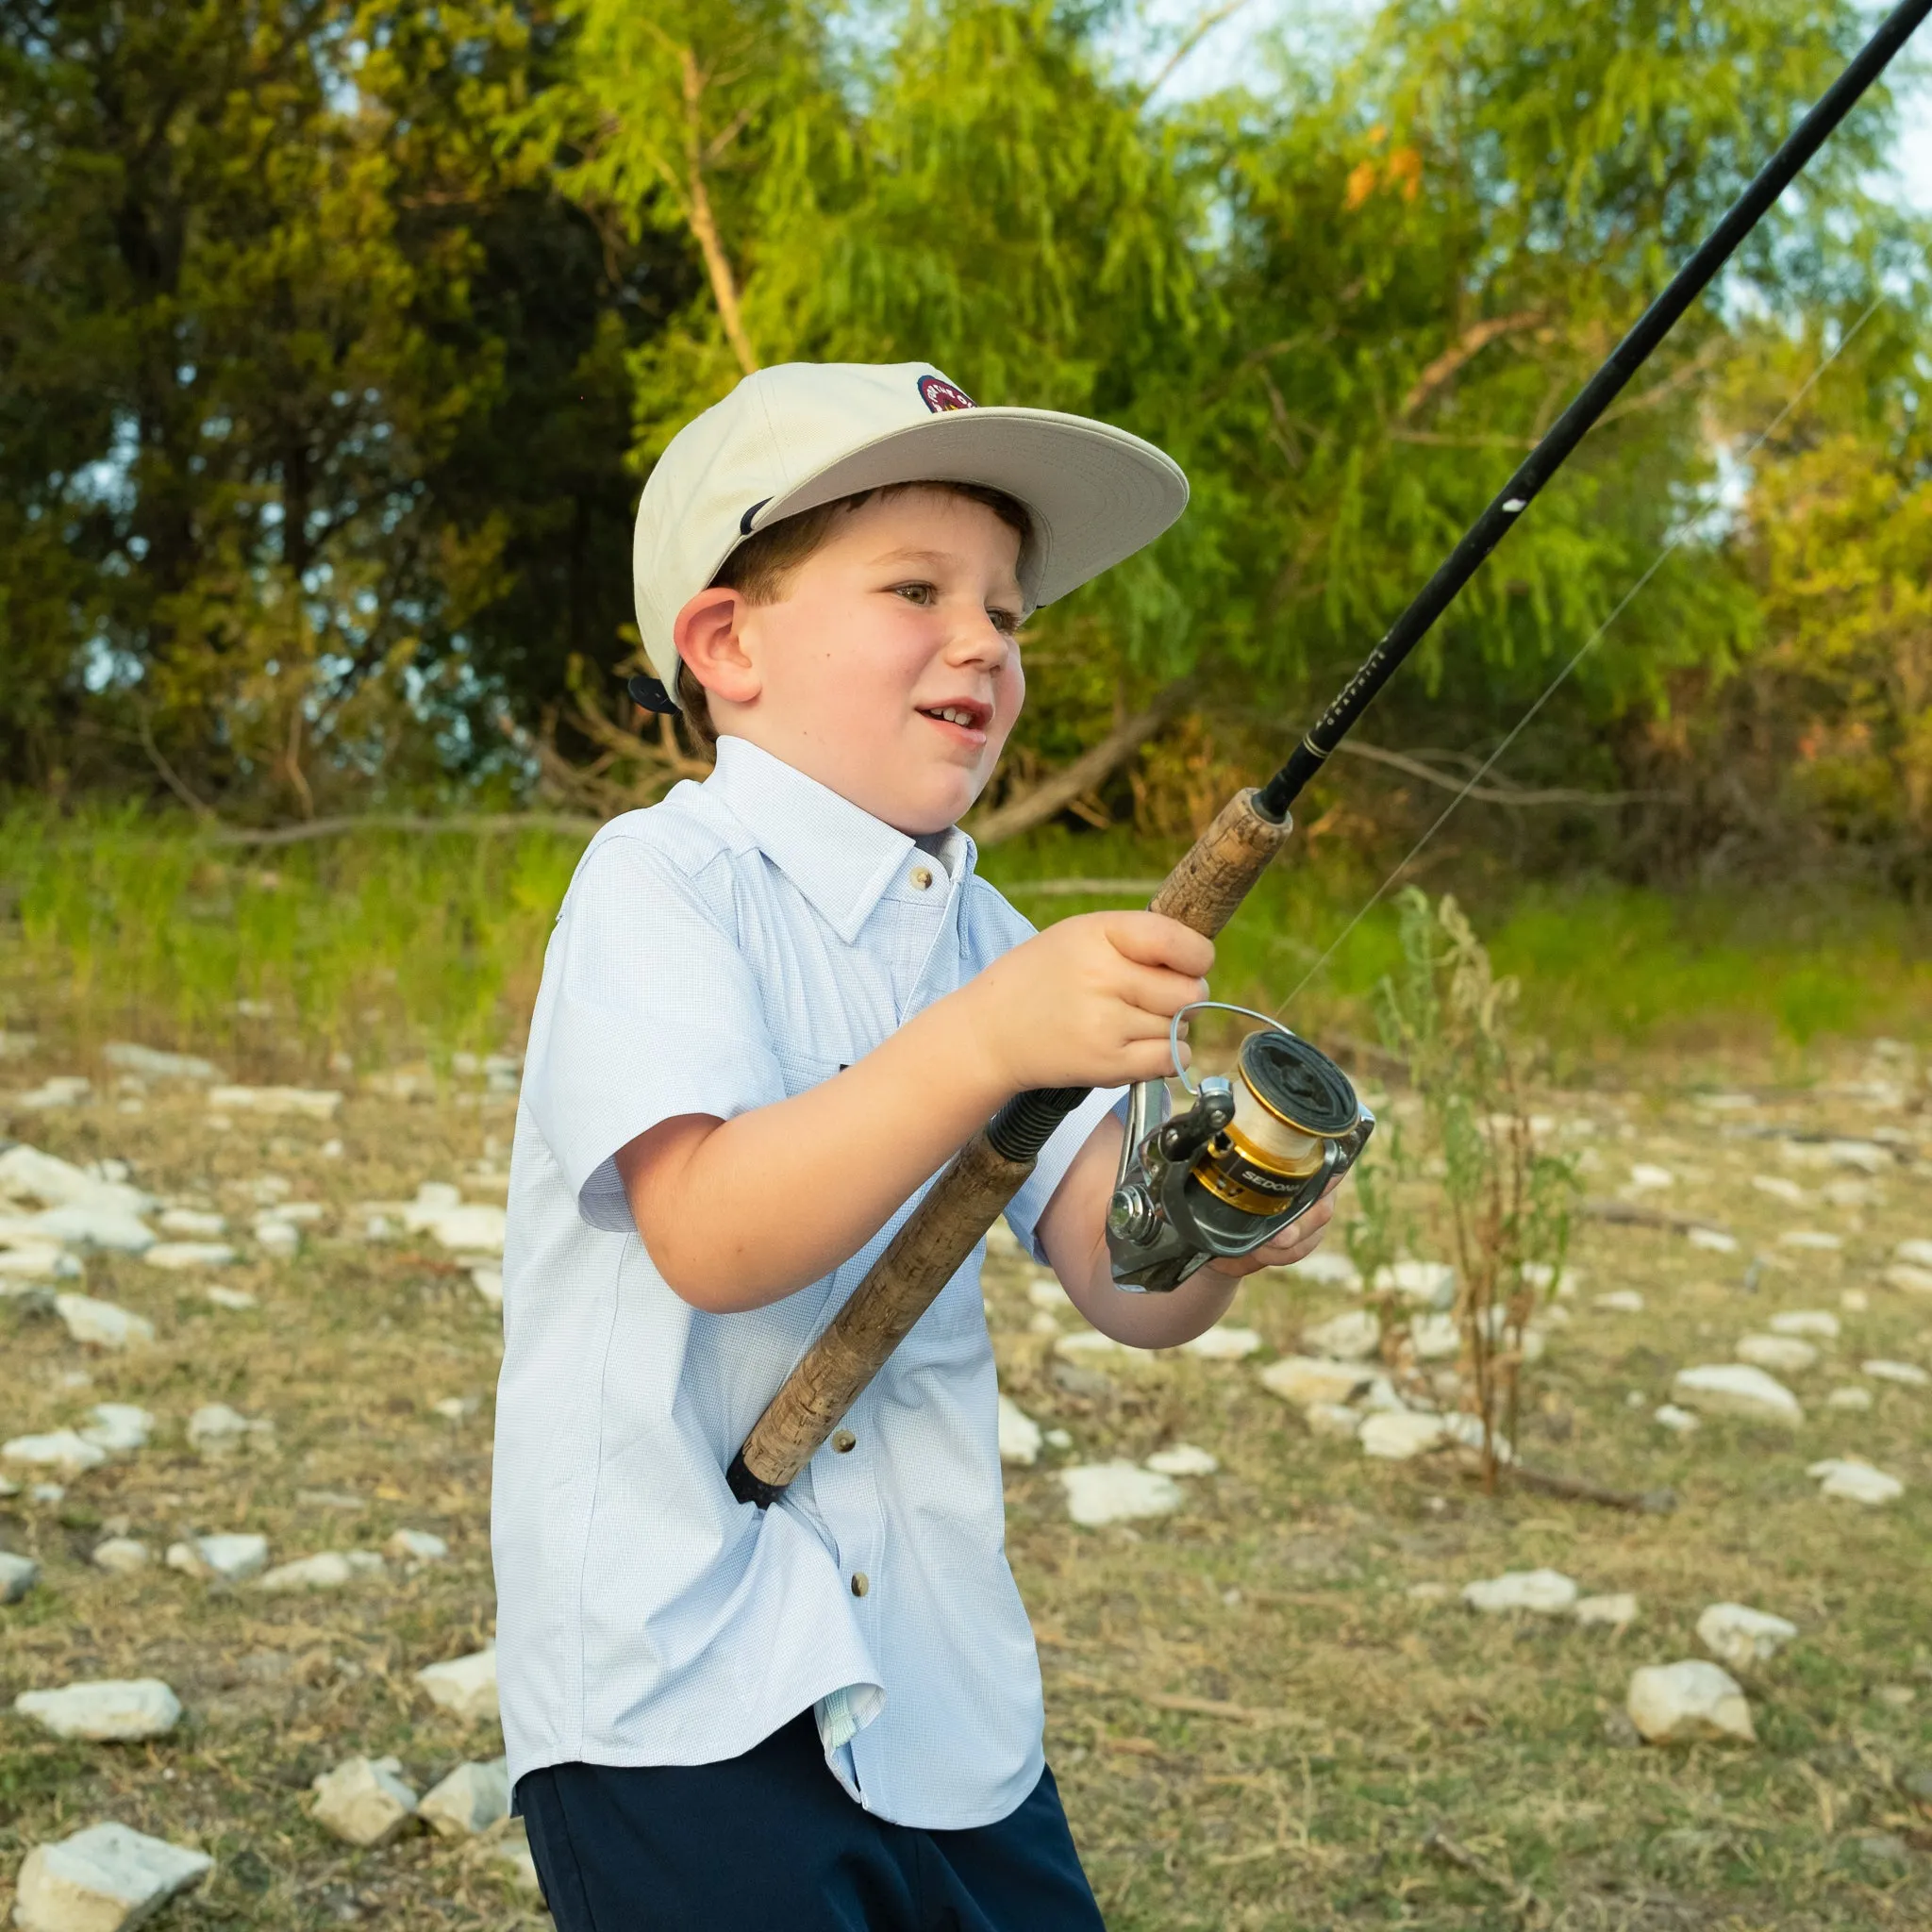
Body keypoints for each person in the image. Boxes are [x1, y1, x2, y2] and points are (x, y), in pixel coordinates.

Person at [493, 361, 1341, 1929]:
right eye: (916, 588)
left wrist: (1230, 1219)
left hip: (940, 1692)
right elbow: (712, 1233)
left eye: (1008, 613)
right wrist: (985, 1040)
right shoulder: (659, 884)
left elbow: (1125, 1282)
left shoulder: (991, 936)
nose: (982, 643)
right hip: (676, 1694)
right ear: (728, 644)